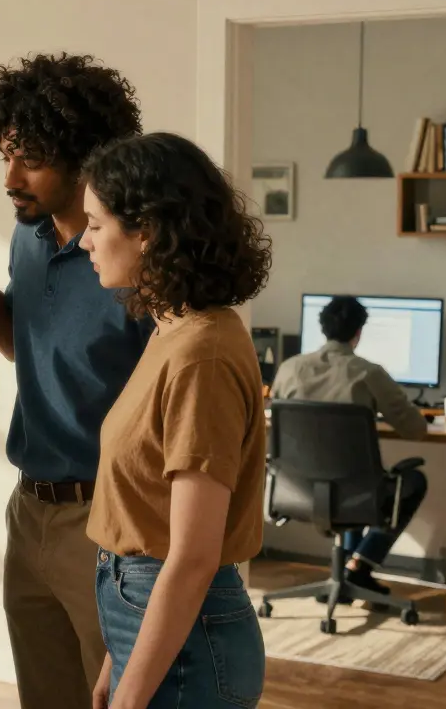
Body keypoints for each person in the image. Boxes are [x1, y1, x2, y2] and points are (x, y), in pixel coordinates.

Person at [0, 52, 152, 708]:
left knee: (124, 697)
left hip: (110, 519)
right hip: (31, 511)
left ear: (88, 159)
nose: (11, 177)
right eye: (7, 155)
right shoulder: (31, 238)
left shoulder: (138, 261)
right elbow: (24, 341)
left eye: (33, 159)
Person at [79, 132, 272, 709]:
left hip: (191, 640)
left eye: (95, 223)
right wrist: (120, 655)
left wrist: (132, 694)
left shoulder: (201, 354)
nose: (84, 239)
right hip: (144, 610)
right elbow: (151, 515)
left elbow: (191, 554)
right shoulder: (174, 330)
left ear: (146, 230)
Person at [270, 295, 429, 596]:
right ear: (359, 332)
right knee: (412, 480)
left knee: (355, 476)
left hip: (297, 492)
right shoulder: (368, 373)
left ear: (323, 328)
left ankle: (349, 570)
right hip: (355, 492)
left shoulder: (289, 369)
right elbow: (416, 429)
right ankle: (360, 566)